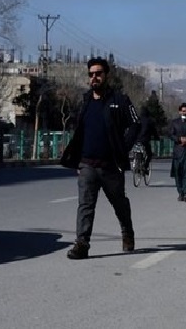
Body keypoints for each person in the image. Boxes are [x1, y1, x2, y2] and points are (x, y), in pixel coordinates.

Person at [60, 57, 141, 260]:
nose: (94, 77)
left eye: (98, 73)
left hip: (111, 166)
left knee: (119, 204)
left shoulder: (119, 100)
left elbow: (135, 124)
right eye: (91, 74)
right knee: (85, 205)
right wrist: (77, 159)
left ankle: (127, 232)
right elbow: (80, 131)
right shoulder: (86, 100)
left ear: (106, 75)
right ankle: (82, 243)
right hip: (87, 164)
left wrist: (123, 148)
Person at [137, 107, 159, 175]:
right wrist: (156, 137)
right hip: (145, 140)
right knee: (149, 154)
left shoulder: (137, 120)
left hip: (136, 140)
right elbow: (154, 131)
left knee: (138, 151)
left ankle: (137, 165)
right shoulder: (150, 121)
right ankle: (145, 167)